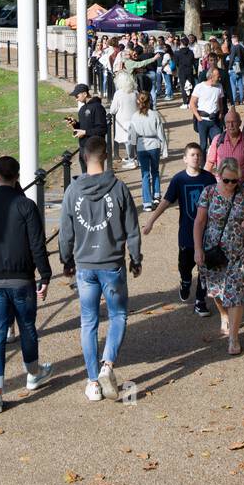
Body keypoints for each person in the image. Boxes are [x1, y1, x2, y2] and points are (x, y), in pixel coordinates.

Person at [0, 155, 53, 413]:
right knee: (27, 326)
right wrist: (45, 275)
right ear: (17, 177)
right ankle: (33, 373)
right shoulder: (26, 206)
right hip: (20, 277)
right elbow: (37, 245)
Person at [58, 136, 142, 402]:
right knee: (118, 315)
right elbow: (132, 228)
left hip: (85, 266)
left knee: (89, 321)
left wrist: (66, 260)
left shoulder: (72, 192)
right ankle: (108, 363)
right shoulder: (118, 189)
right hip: (112, 263)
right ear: (105, 156)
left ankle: (93, 380)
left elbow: (65, 232)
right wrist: (136, 257)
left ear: (83, 157)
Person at [193, 157, 244, 355]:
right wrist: (198, 249)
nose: (230, 185)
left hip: (238, 252)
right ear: (219, 176)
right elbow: (199, 222)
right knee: (217, 291)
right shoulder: (209, 192)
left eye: (234, 181)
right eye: (227, 180)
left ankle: (233, 337)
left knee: (235, 294)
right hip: (213, 252)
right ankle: (223, 314)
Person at [143, 142, 215, 315]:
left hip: (207, 234)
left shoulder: (209, 179)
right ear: (184, 159)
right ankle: (185, 281)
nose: (196, 157)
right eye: (192, 155)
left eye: (198, 155)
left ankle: (200, 301)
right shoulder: (179, 179)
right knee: (185, 266)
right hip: (186, 233)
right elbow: (166, 201)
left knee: (204, 269)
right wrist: (151, 221)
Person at [206, 106, 244, 203]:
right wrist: (202, 183)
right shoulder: (217, 140)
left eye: (234, 122)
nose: (231, 125)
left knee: (241, 213)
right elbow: (209, 163)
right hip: (222, 184)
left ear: (240, 123)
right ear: (225, 124)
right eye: (228, 122)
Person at [126, 89, 169, 211]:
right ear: (150, 101)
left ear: (138, 102)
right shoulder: (155, 115)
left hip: (141, 146)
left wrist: (132, 152)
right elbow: (161, 133)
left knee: (145, 174)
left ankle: (147, 202)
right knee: (155, 171)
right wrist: (164, 148)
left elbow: (132, 136)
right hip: (154, 145)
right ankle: (156, 195)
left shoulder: (134, 116)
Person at [68, 83, 109, 173]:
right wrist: (75, 124)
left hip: (94, 149)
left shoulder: (98, 108)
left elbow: (102, 129)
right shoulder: (82, 109)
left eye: (77, 96)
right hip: (83, 147)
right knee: (85, 175)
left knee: (94, 176)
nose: (76, 99)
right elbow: (83, 127)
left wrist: (85, 132)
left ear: (85, 94)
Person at [188, 65, 225, 155]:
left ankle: (217, 163)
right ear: (211, 76)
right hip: (203, 120)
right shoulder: (199, 87)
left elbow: (220, 102)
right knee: (203, 145)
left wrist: (220, 113)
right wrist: (198, 117)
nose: (219, 78)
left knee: (218, 142)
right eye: (217, 76)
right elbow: (192, 103)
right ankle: (203, 166)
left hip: (214, 120)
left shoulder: (219, 87)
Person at [110, 71, 140, 171]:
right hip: (135, 119)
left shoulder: (118, 93)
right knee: (135, 141)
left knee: (128, 141)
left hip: (123, 121)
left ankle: (132, 160)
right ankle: (136, 159)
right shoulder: (135, 92)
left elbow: (112, 109)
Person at [174, 37, 197, 109]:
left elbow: (176, 63)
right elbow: (193, 61)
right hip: (189, 70)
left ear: (181, 43)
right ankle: (190, 102)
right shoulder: (191, 52)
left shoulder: (177, 53)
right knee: (190, 86)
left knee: (183, 86)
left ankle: (185, 103)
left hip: (181, 70)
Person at [227, 35, 244, 106]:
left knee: (233, 84)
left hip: (234, 68)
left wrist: (229, 68)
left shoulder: (234, 47)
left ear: (233, 40)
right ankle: (242, 100)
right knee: (240, 83)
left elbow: (232, 59)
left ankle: (234, 100)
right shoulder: (242, 47)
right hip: (241, 67)